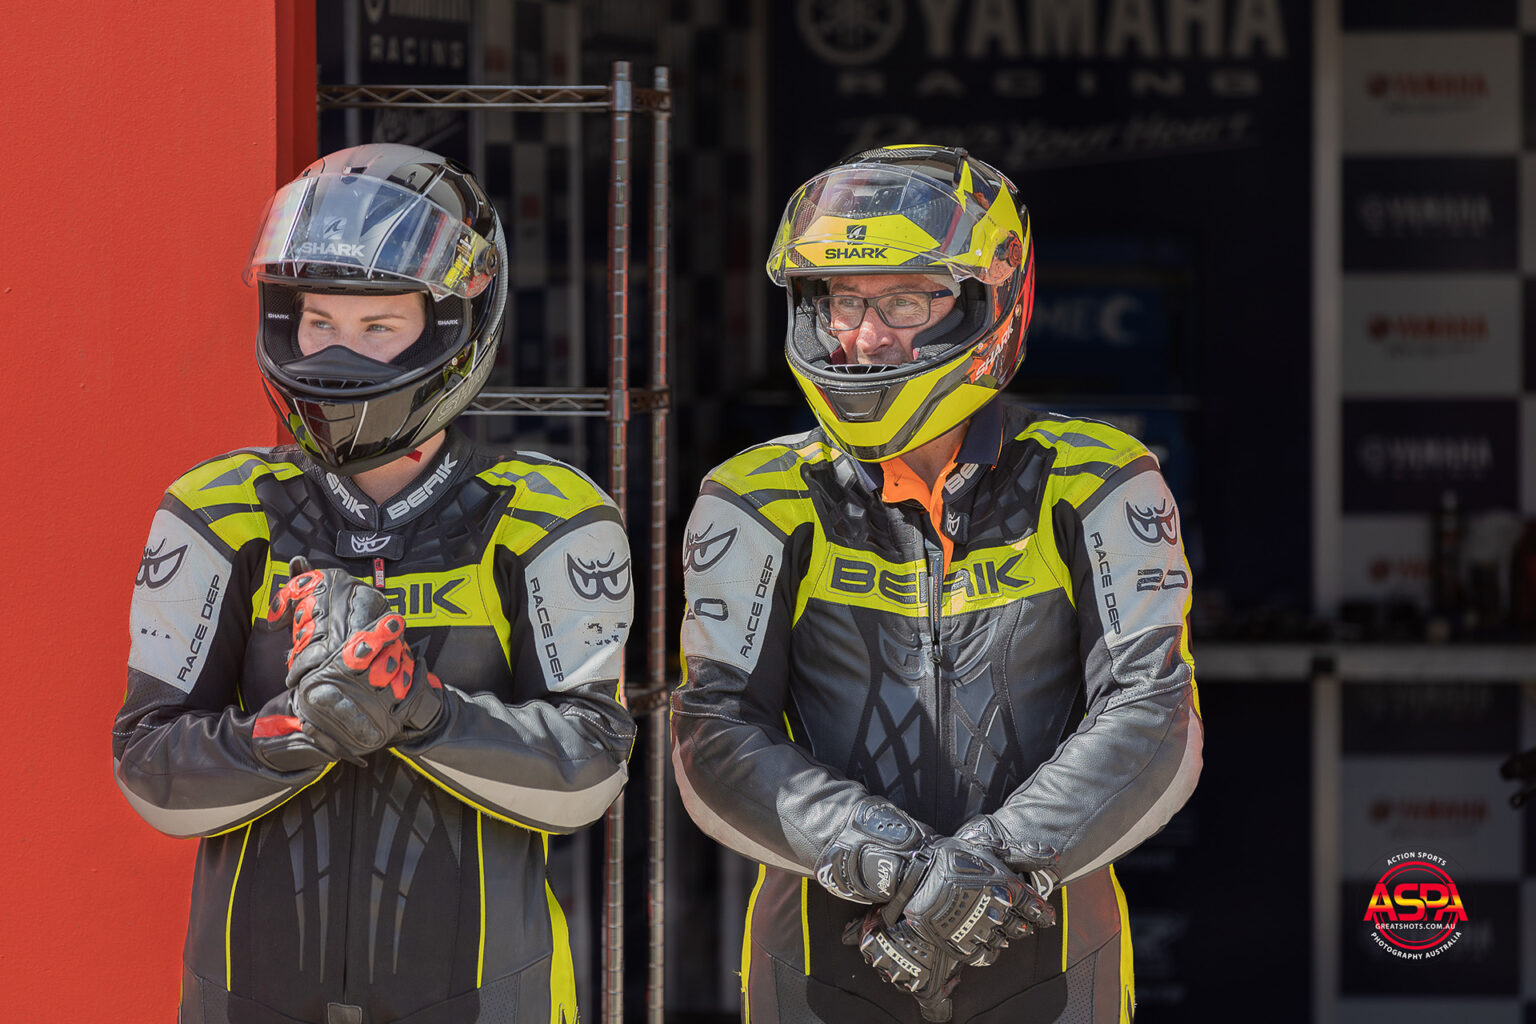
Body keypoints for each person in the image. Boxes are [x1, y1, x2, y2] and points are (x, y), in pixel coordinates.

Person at [671, 144, 1203, 1023]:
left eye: (907, 301)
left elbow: (1155, 713)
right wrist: (886, 856)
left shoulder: (1101, 479)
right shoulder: (754, 496)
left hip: (1050, 960)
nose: (867, 336)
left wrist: (997, 858)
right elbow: (712, 733)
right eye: (845, 300)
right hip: (822, 958)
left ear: (991, 302)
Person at [113, 143, 635, 1024]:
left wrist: (423, 712)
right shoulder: (218, 508)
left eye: (377, 327)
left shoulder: (547, 514)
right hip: (247, 997)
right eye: (319, 322)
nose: (337, 354)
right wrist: (291, 730)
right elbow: (148, 765)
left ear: (450, 326)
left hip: (484, 996)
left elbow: (589, 772)